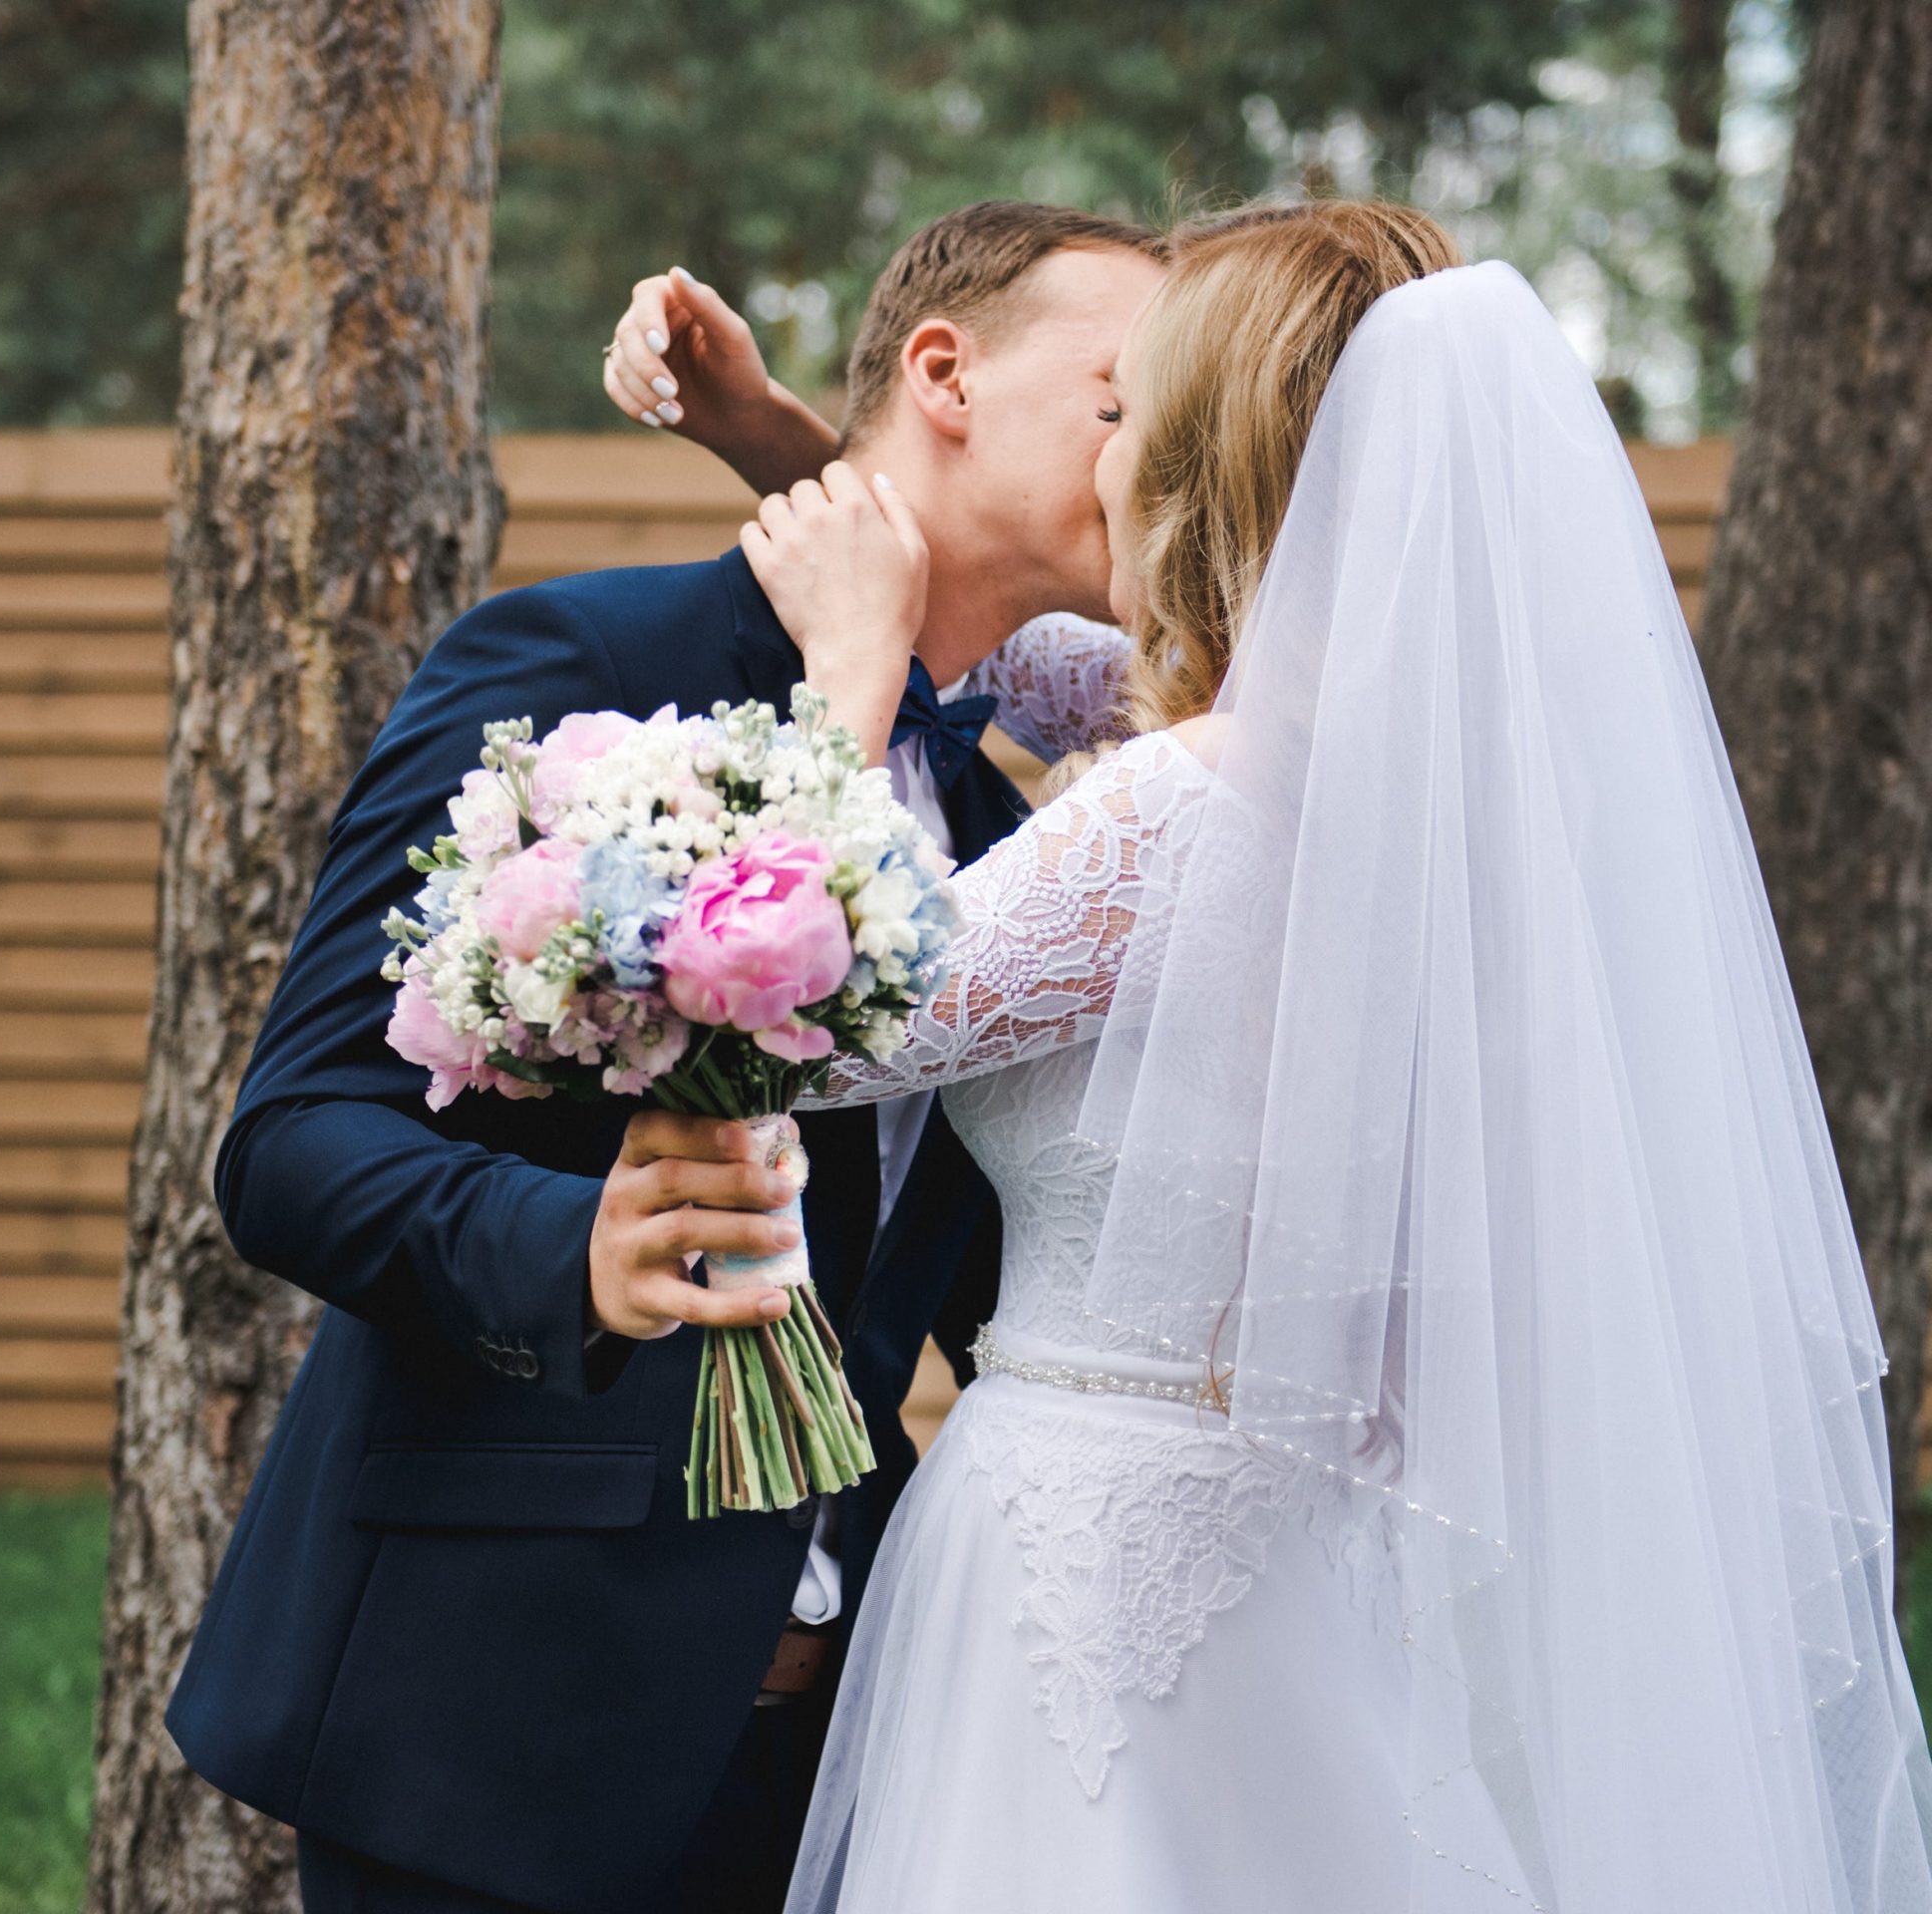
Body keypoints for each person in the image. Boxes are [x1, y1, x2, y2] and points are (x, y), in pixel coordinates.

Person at [640, 199, 1932, 1909]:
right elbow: (1040, 658)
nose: (1100, 453)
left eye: (1125, 416)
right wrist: (794, 450)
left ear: (1191, 457)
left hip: (1092, 1580)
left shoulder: (1179, 810)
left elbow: (807, 1015)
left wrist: (853, 662)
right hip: (1313, 1573)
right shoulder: (1442, 799)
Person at [161, 200, 1168, 1914]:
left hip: (851, 1732)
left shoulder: (1005, 824)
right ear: (945, 373)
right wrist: (575, 1248)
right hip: (492, 1713)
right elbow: (294, 1139)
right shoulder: (582, 665)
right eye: (1122, 401)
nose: (1160, 458)